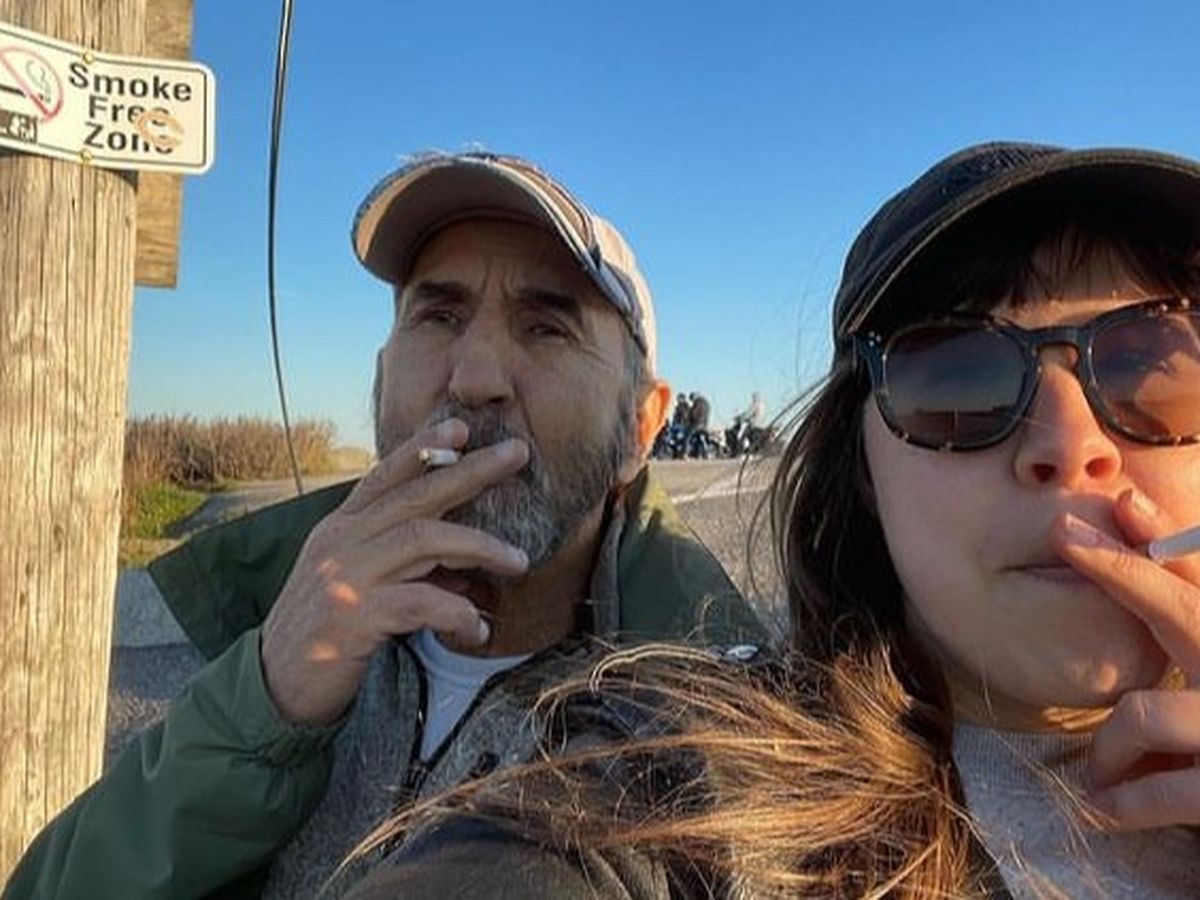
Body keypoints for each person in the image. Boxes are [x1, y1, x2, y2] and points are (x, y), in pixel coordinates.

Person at [339, 141, 1200, 898]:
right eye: (957, 377)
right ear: (861, 470)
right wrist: (275, 699)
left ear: (644, 421)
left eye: (1152, 366)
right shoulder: (696, 775)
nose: (1072, 446)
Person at [3, 153, 764, 899]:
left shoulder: (724, 743)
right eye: (440, 315)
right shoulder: (276, 632)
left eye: (545, 328)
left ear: (639, 427)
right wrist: (262, 706)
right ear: (379, 379)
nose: (474, 380)